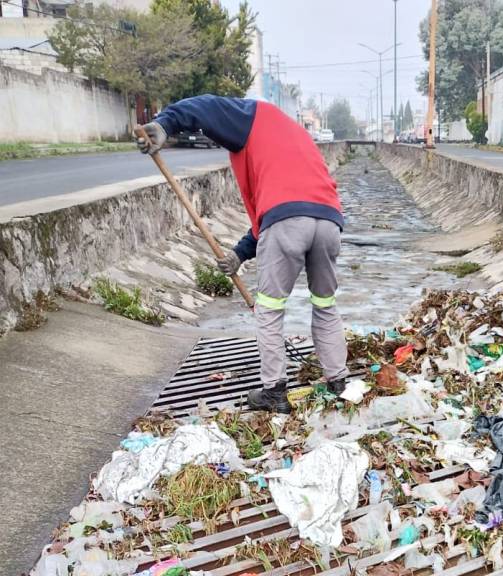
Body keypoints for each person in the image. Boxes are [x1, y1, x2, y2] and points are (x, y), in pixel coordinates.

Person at [137, 95, 350, 414]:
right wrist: (239, 254)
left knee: (269, 309)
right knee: (324, 304)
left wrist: (164, 124)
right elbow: (281, 211)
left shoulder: (254, 114)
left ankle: (274, 392)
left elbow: (203, 107)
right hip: (329, 220)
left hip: (287, 222)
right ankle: (339, 381)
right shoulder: (293, 136)